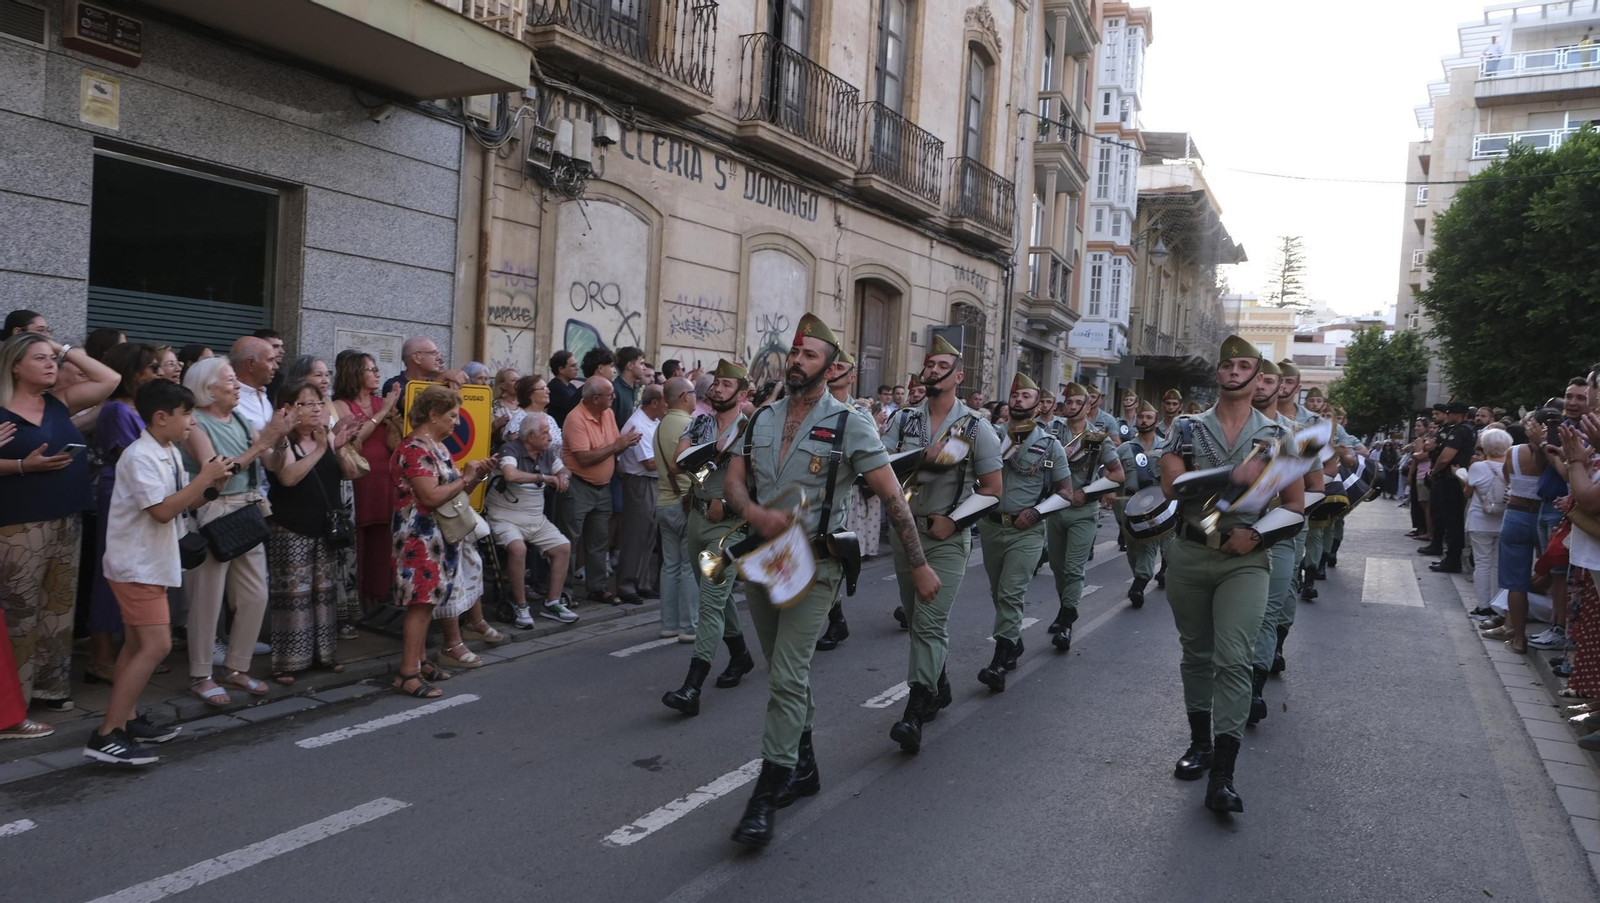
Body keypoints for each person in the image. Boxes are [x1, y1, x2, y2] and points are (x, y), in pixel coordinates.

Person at [720, 313, 939, 848]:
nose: (797, 361)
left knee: (787, 674)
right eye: (795, 353)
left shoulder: (849, 424)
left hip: (816, 566)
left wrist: (918, 563)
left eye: (809, 355)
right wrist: (752, 511)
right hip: (764, 562)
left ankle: (766, 793)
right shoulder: (761, 418)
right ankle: (806, 766)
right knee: (783, 671)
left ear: (831, 366)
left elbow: (892, 497)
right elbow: (733, 480)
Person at [1160, 336, 1303, 815]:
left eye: (1245, 366)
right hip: (1190, 551)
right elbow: (1173, 486)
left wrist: (1258, 535)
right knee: (1196, 653)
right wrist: (1231, 476)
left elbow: (1295, 505)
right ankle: (1199, 744)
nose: (1235, 372)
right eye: (1228, 366)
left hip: (1244, 558)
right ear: (1218, 373)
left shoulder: (1279, 436)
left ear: (1259, 376)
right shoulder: (1185, 428)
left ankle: (1224, 773)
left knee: (1235, 659)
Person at [87, 380, 233, 763]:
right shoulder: (139, 456)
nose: (192, 422)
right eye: (187, 414)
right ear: (161, 417)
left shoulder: (167, 450)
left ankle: (127, 720)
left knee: (136, 647)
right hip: (136, 566)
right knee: (157, 646)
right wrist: (203, 478)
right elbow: (162, 511)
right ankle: (107, 734)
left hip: (150, 563)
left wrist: (212, 486)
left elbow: (182, 502)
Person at [883, 336, 1001, 752]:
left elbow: (992, 489)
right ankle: (940, 683)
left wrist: (954, 521)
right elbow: (881, 470)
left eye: (941, 366)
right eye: (929, 365)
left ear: (958, 377)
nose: (932, 371)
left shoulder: (976, 427)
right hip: (905, 533)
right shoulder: (903, 420)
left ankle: (915, 710)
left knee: (929, 623)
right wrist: (920, 461)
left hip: (946, 538)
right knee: (917, 618)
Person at [0, 334, 118, 711]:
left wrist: (63, 348)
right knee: (20, 610)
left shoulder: (59, 402)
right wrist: (23, 466)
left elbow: (111, 379)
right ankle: (14, 700)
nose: (51, 364)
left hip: (67, 516)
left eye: (53, 358)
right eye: (40, 358)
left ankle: (50, 689)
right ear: (15, 366)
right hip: (18, 523)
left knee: (59, 606)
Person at [179, 358, 290, 707]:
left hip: (246, 510)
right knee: (206, 599)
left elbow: (272, 463)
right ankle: (201, 675)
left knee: (255, 595)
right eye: (229, 380)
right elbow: (217, 472)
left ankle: (236, 667)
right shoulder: (195, 423)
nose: (237, 385)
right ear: (208, 388)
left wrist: (280, 438)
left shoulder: (240, 419)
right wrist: (263, 442)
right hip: (213, 512)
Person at [662, 360, 757, 717]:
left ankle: (692, 686)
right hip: (698, 517)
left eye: (725, 385)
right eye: (716, 383)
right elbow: (677, 462)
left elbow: (764, 479)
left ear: (742, 394)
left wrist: (729, 503)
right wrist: (711, 451)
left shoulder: (752, 430)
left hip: (729, 525)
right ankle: (740, 655)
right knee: (714, 595)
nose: (716, 389)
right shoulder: (700, 422)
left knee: (711, 602)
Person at [390, 386, 494, 697]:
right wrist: (466, 477)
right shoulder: (414, 449)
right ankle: (407, 673)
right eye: (452, 416)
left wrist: (475, 475)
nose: (457, 423)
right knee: (421, 604)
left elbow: (452, 493)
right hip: (419, 537)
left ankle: (420, 661)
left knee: (428, 602)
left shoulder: (436, 446)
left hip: (436, 536)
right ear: (433, 414)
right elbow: (431, 496)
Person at [262, 381, 360, 685]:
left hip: (324, 528)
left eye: (320, 403)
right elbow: (288, 477)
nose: (318, 409)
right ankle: (288, 662)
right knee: (293, 598)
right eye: (308, 404)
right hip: (291, 528)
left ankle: (324, 655)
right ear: (289, 408)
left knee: (324, 595)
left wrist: (339, 448)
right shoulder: (279, 439)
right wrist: (320, 449)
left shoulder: (325, 434)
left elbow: (351, 473)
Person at [978, 373, 1069, 690]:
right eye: (1015, 395)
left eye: (1026, 396)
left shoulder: (1049, 445)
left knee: (1010, 592)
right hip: (990, 526)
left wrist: (1037, 512)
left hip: (1026, 531)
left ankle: (1000, 659)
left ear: (1039, 404)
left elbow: (1065, 491)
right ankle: (1013, 641)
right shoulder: (989, 436)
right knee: (997, 592)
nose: (1019, 400)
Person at [86, 343, 161, 683]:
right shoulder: (117, 410)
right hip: (119, 492)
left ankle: (128, 652)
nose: (158, 373)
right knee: (110, 571)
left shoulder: (137, 407)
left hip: (137, 493)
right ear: (133, 372)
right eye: (152, 367)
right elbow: (133, 455)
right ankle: (100, 657)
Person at [1044, 382, 1123, 647]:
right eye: (1069, 402)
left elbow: (1117, 474)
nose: (1073, 406)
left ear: (1089, 407)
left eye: (1079, 402)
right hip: (1055, 508)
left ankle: (1067, 621)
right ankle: (1064, 607)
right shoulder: (1052, 431)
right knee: (1057, 567)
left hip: (1083, 510)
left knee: (1073, 568)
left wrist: (1087, 493)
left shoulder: (1097, 437)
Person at [1244, 359, 1296, 727]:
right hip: (1227, 533)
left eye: (1269, 380)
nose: (1260, 385)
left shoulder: (1295, 435)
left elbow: (1314, 488)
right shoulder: (1220, 429)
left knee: (1266, 612)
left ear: (1281, 386)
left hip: (1277, 533)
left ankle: (1254, 687)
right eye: (1257, 379)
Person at [487, 415, 577, 626]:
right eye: (545, 433)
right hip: (505, 517)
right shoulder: (510, 449)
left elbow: (564, 469)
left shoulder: (546, 453)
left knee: (563, 547)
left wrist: (563, 477)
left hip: (535, 518)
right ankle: (521, 606)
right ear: (530, 436)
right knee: (518, 549)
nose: (550, 437)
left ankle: (553, 602)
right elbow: (510, 475)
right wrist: (544, 478)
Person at [331, 354, 402, 613]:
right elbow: (354, 440)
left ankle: (378, 593)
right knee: (357, 541)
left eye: (376, 369)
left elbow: (396, 441)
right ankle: (357, 598)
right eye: (370, 370)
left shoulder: (383, 402)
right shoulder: (340, 405)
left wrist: (393, 419)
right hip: (359, 480)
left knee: (382, 540)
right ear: (355, 374)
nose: (377, 373)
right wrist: (382, 413)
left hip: (385, 479)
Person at [562, 376, 639, 605]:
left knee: (599, 541)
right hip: (579, 486)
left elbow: (614, 446)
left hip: (602, 487)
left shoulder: (607, 413)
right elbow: (584, 458)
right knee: (569, 541)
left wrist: (624, 443)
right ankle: (563, 591)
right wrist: (617, 445)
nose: (614, 398)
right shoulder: (575, 419)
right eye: (610, 395)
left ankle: (597, 587)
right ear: (596, 398)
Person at [823, 350, 871, 647]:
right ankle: (836, 619)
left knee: (832, 559)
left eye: (839, 366)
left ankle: (835, 620)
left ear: (851, 376)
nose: (832, 370)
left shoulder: (859, 415)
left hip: (844, 496)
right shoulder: (814, 407)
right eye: (830, 365)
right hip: (811, 497)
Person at [653, 377, 699, 639]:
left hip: (664, 501)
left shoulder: (660, 425)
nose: (696, 397)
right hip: (685, 501)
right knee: (689, 566)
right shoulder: (689, 425)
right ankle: (688, 626)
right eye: (694, 393)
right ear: (684, 396)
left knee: (670, 566)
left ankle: (668, 624)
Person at [616, 384, 665, 604]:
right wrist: (675, 457)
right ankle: (626, 584)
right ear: (654, 403)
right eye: (665, 401)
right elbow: (649, 463)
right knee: (636, 535)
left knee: (649, 535)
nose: (668, 405)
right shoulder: (637, 424)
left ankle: (642, 582)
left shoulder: (653, 421)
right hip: (640, 482)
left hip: (652, 482)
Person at [1117, 400, 1168, 609]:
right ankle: (1140, 574)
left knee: (1150, 543)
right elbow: (1113, 473)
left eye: (1148, 417)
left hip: (1159, 504)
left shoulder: (1166, 446)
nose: (1144, 420)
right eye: (1140, 417)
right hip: (1131, 503)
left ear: (1156, 421)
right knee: (1133, 547)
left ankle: (1140, 582)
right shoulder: (1125, 448)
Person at [1420, 401, 1476, 573]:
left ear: (1457, 415)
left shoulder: (1460, 431)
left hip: (1451, 479)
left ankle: (1452, 560)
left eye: (1449, 413)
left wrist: (1433, 472)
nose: (1447, 416)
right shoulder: (1467, 429)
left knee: (1452, 521)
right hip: (1455, 478)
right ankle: (1450, 557)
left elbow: (1445, 458)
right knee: (1450, 519)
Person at [1465, 428, 1512, 614]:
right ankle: (1496, 606)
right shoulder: (1512, 466)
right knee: (1497, 564)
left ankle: (1482, 605)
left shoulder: (1478, 467)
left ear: (1485, 448)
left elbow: (1468, 493)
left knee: (1482, 563)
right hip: (1504, 519)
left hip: (1480, 519)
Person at [229, 336, 277, 432]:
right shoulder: (229, 400)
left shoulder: (263, 394)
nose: (275, 366)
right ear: (251, 363)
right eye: (270, 360)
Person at [613, 346, 647, 425]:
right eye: (641, 363)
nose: (645, 368)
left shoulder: (637, 389)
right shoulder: (614, 390)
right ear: (630, 365)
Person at [548, 350, 581, 428]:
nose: (577, 368)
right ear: (561, 369)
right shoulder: (555, 387)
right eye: (573, 366)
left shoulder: (571, 386)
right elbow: (576, 408)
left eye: (576, 365)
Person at [491, 367, 520, 440]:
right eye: (513, 380)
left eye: (519, 380)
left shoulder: (524, 403)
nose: (518, 383)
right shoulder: (496, 405)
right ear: (503, 386)